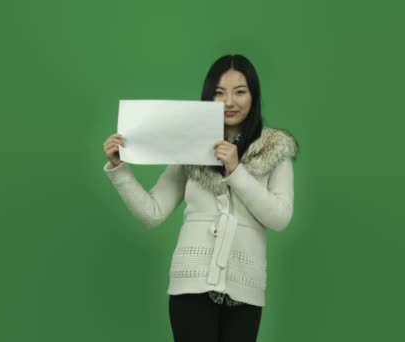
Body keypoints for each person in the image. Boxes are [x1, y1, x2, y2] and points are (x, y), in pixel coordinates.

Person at [102, 54, 299, 342]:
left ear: (254, 95)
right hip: (191, 286)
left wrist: (236, 170)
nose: (229, 101)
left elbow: (280, 218)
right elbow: (152, 213)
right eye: (219, 92)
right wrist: (120, 169)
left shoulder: (275, 149)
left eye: (239, 91)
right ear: (208, 97)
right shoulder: (189, 144)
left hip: (245, 287)